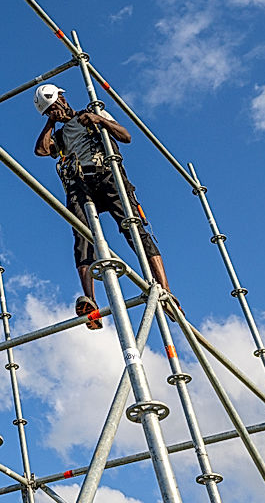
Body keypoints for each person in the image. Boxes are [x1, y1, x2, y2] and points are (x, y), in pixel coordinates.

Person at [33, 84, 171, 329]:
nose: (56, 111)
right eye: (50, 110)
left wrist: (98, 119)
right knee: (82, 236)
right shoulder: (60, 133)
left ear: (63, 99)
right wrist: (50, 123)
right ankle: (91, 301)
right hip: (79, 182)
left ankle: (165, 291)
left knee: (132, 228)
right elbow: (41, 150)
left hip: (107, 175)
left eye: (56, 106)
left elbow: (125, 136)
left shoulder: (92, 113)